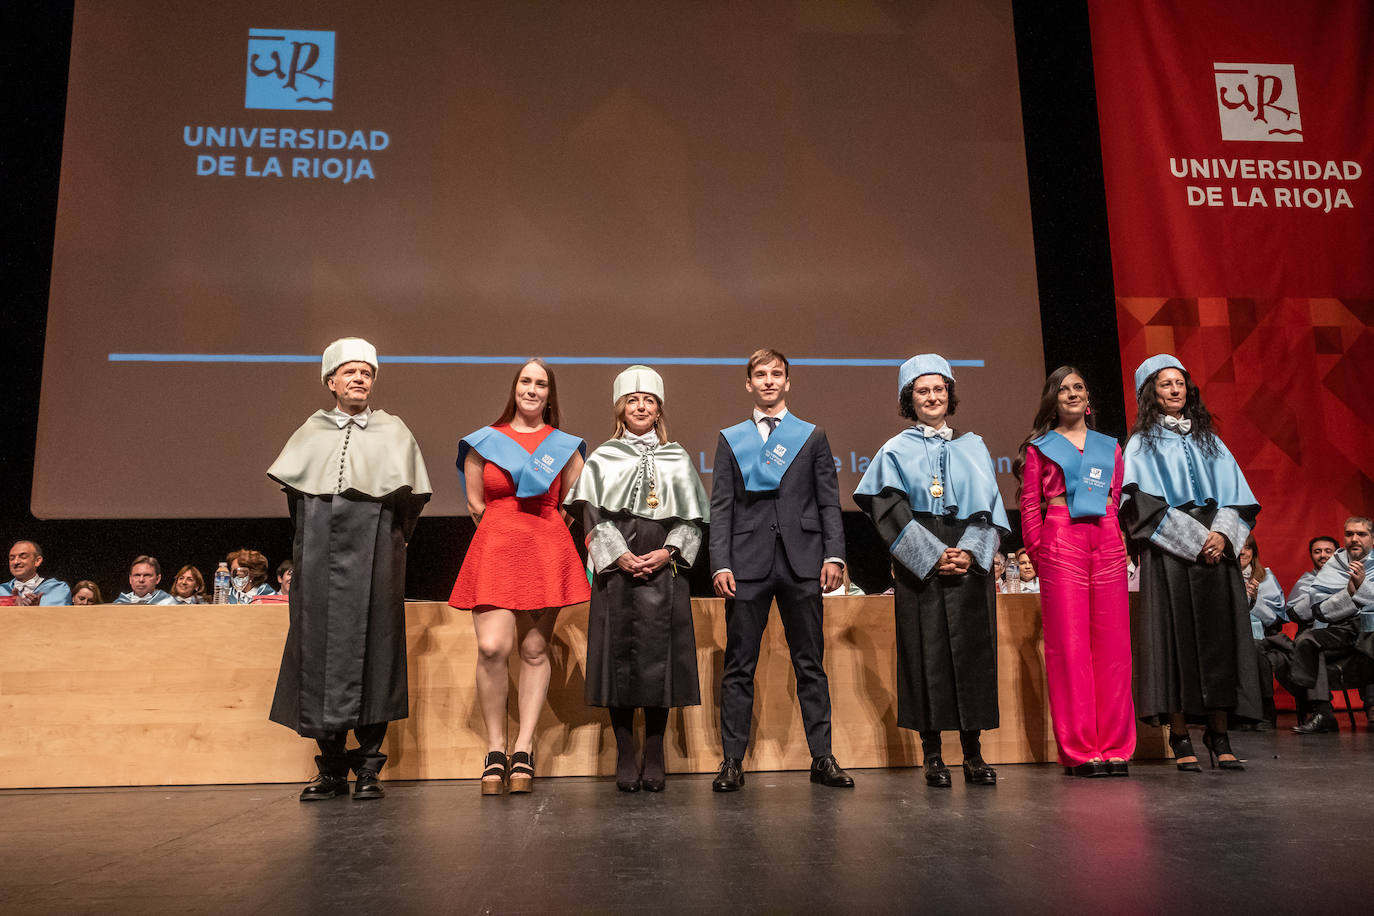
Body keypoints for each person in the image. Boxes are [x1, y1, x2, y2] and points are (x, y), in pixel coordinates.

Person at [267, 338, 432, 801]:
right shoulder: (310, 431)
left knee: (376, 649)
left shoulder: (394, 431)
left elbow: (410, 504)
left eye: (366, 373)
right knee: (317, 648)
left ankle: (369, 767)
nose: (359, 379)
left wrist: (387, 546)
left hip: (377, 554)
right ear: (331, 382)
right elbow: (296, 502)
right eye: (350, 373)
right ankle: (331, 766)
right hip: (318, 557)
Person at [855, 354, 1007, 788]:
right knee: (927, 655)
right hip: (918, 561)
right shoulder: (894, 450)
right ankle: (933, 755)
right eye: (922, 391)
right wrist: (933, 554)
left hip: (967, 558)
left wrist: (972, 552)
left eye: (939, 389)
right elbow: (889, 511)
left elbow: (990, 512)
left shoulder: (973, 446)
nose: (932, 397)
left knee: (973, 655)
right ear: (910, 399)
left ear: (949, 394)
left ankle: (973, 754)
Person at [710, 348, 853, 792]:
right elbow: (721, 505)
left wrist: (835, 555)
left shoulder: (811, 436)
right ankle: (732, 761)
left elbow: (829, 500)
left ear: (787, 382)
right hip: (747, 562)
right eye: (760, 374)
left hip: (803, 560)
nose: (769, 381)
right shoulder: (731, 438)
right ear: (748, 383)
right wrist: (720, 562)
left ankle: (822, 757)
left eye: (777, 374)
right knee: (739, 665)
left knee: (810, 663)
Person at [565, 366, 709, 792]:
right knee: (618, 659)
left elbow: (694, 520)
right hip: (616, 571)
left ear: (659, 408)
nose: (641, 406)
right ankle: (625, 749)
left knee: (661, 660)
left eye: (649, 400)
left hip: (667, 572)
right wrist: (620, 557)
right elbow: (590, 515)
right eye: (633, 400)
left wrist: (667, 552)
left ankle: (656, 747)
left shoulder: (677, 456)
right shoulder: (604, 457)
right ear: (621, 408)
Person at [450, 358, 589, 796]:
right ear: (515, 388)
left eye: (541, 384)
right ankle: (496, 747)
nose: (532, 389)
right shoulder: (483, 442)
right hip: (496, 544)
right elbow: (475, 503)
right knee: (493, 648)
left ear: (550, 394)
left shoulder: (564, 445)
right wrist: (505, 529)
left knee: (533, 649)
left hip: (544, 545)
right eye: (526, 381)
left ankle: (523, 748)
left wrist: (543, 532)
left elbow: (575, 501)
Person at [1121, 354, 1261, 771]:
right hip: (1171, 551)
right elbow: (1140, 506)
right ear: (1151, 392)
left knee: (1221, 638)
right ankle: (1180, 734)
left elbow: (1237, 495)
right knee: (1173, 642)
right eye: (1165, 384)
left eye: (1180, 383)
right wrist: (1196, 540)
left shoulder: (1209, 439)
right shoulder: (1140, 444)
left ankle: (1219, 734)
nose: (1175, 390)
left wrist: (1221, 535)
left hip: (1218, 546)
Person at [1014, 366, 1133, 777]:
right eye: (1062, 389)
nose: (1071, 393)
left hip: (1106, 540)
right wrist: (1039, 550)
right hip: (1061, 538)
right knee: (1070, 648)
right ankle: (1081, 750)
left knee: (1114, 649)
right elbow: (1030, 504)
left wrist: (1117, 542)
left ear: (1088, 398)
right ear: (1052, 399)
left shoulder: (1109, 447)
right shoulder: (1041, 448)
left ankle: (1116, 746)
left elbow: (1115, 499)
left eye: (1078, 386)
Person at [1288, 518, 1374, 733]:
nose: (1354, 539)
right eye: (1349, 534)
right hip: (1344, 626)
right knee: (1307, 639)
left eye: (1361, 534)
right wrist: (1350, 593)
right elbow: (1320, 609)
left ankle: (1372, 706)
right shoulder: (1335, 565)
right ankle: (1322, 712)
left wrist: (1362, 587)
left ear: (1372, 538)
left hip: (1371, 627)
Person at [1279, 536, 1339, 729]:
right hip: (1313, 637)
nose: (1323, 555)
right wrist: (1320, 592)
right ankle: (1321, 711)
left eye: (1328, 551)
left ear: (1337, 554)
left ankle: (1371, 705)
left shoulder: (1350, 577)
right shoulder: (1306, 581)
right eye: (1317, 551)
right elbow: (1295, 613)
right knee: (1306, 649)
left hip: (1341, 637)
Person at [1239, 535, 1288, 729]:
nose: (1243, 552)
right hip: (1228, 637)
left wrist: (1254, 600)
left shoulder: (1265, 577)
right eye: (1239, 547)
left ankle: (1265, 707)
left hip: (1261, 637)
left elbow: (1274, 620)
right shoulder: (1220, 577)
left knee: (1254, 649)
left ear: (1253, 553)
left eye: (1248, 548)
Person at [1, 540, 72, 605]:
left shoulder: (57, 589)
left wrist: (36, 611)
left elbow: (61, 617)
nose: (16, 562)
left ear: (37, 561)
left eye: (23, 557)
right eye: (12, 558)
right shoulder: (2, 590)